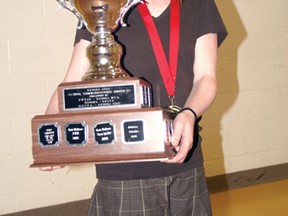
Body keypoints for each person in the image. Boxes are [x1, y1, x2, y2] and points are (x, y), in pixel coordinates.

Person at [43, 0, 227, 215]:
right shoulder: (108, 5)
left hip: (185, 157)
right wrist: (48, 133)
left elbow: (206, 77)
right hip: (125, 167)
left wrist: (189, 113)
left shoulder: (199, 4)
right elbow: (72, 82)